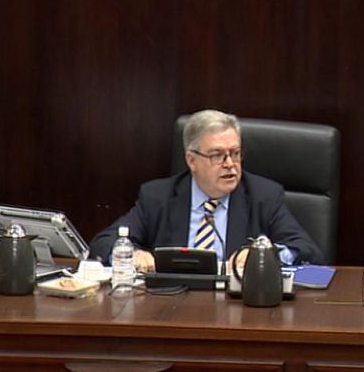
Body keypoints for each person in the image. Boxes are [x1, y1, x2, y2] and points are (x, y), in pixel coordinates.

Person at [89, 109, 322, 271]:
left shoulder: (263, 196)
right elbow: (103, 243)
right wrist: (131, 254)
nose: (230, 164)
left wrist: (264, 255)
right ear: (191, 160)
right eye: (217, 155)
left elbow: (308, 251)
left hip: (239, 307)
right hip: (171, 305)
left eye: (235, 153)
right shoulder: (158, 197)